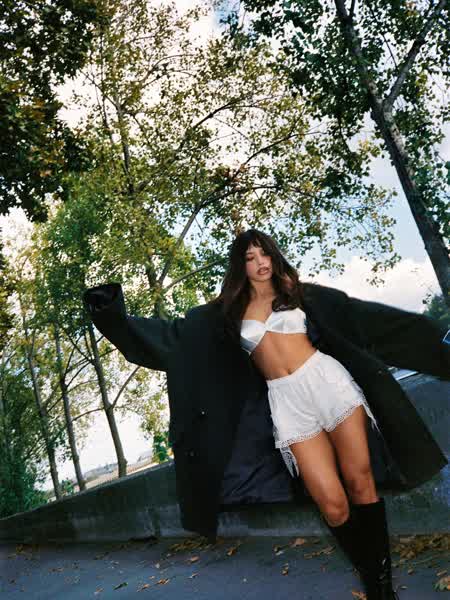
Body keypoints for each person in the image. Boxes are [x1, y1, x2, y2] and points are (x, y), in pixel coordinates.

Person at [83, 228, 450, 600]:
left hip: (329, 385)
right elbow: (173, 340)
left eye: (264, 254)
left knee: (360, 483)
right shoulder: (224, 314)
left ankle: (380, 590)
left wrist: (437, 348)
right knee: (333, 505)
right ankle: (371, 573)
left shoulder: (300, 293)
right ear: (239, 266)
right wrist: (113, 316)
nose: (260, 263)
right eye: (250, 257)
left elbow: (366, 319)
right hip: (287, 403)